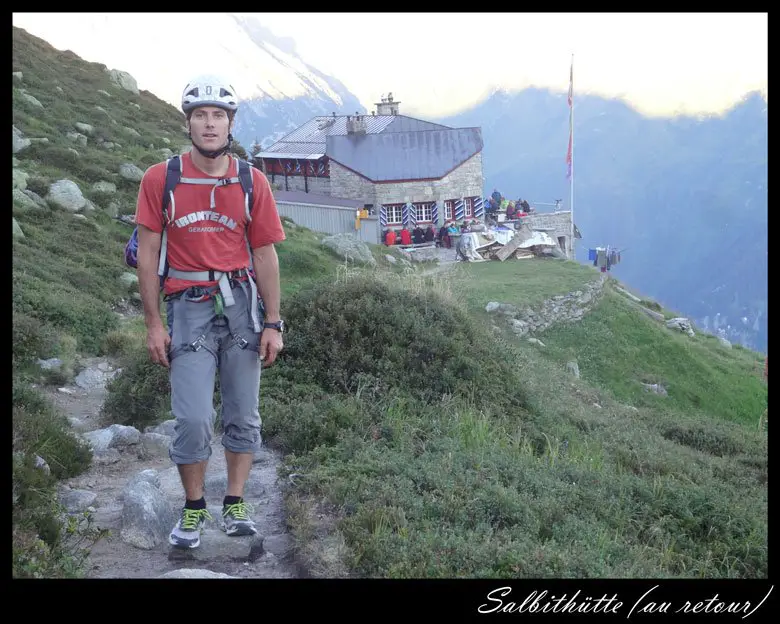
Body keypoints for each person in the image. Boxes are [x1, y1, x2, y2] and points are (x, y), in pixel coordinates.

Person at [134, 75, 287, 549]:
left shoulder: (249, 180)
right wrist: (154, 324)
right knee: (195, 417)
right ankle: (194, 507)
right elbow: (148, 251)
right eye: (200, 115)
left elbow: (265, 255)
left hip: (242, 304)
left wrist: (273, 323)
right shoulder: (162, 179)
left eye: (217, 115)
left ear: (230, 124)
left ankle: (236, 502)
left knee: (243, 412)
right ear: (188, 123)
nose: (209, 123)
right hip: (188, 307)